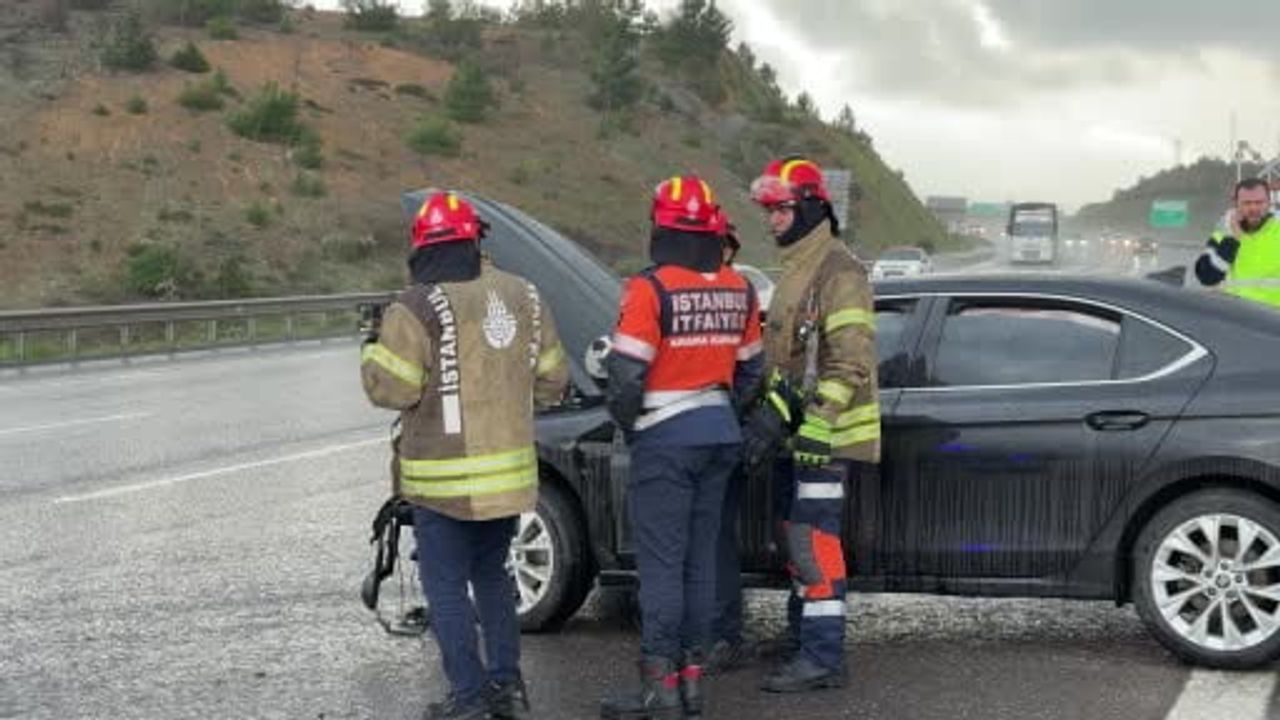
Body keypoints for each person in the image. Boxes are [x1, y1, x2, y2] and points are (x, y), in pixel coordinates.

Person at [360, 191, 569, 720]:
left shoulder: (414, 305)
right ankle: (507, 690)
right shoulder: (525, 293)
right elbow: (553, 381)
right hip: (508, 479)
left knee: (446, 589)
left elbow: (392, 389)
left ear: (421, 246)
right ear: (476, 240)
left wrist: (370, 347)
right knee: (493, 579)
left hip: (443, 484)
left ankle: (469, 699)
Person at [600, 175, 763, 719]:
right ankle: (691, 684)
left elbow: (625, 377)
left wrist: (633, 424)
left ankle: (658, 691)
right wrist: (722, 413)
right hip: (719, 436)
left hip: (666, 442)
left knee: (662, 568)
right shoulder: (739, 288)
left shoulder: (649, 290)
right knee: (698, 566)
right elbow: (751, 371)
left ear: (660, 226)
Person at [740, 156, 881, 693]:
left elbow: (850, 358)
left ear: (812, 206)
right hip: (797, 438)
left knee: (813, 541)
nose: (771, 219)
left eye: (781, 209)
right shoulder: (800, 265)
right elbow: (790, 360)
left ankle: (823, 656)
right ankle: (804, 637)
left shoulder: (837, 269)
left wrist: (820, 422)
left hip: (827, 438)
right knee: (791, 537)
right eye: (768, 210)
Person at [1194, 177, 1280, 309]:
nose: (1253, 208)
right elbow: (1207, 278)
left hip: (1272, 322)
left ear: (1269, 203)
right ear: (1236, 204)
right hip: (1235, 320)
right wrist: (1233, 238)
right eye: (1247, 203)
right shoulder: (1222, 233)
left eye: (1259, 202)